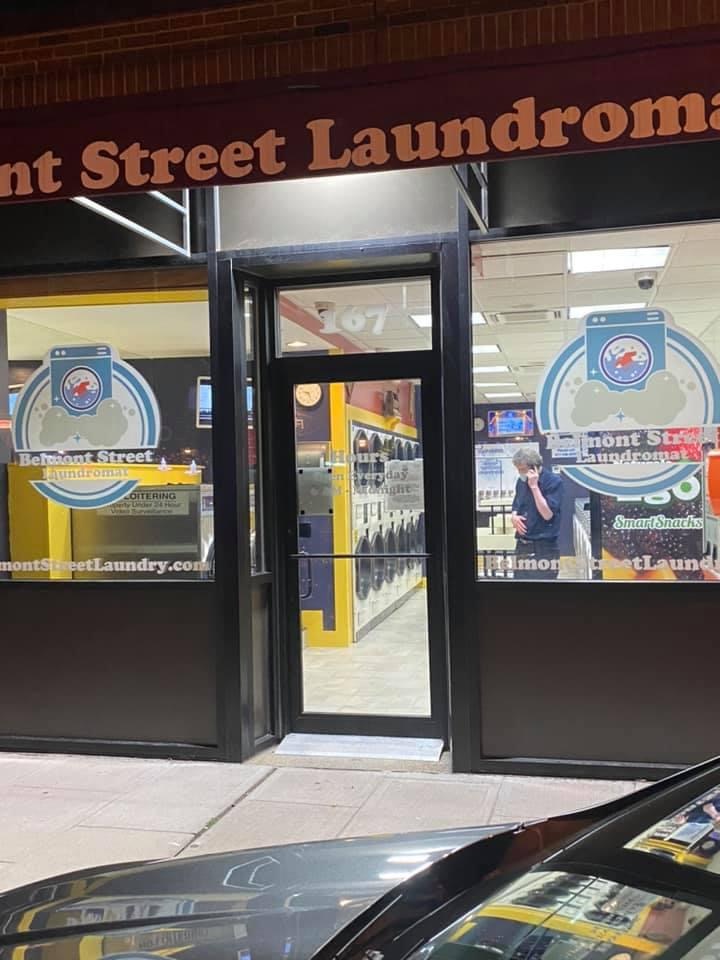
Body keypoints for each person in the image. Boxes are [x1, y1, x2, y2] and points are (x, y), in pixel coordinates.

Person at [510, 448, 564, 580]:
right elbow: (517, 504)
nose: (520, 473)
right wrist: (513, 516)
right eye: (518, 469)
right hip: (523, 544)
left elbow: (547, 514)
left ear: (534, 467)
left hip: (544, 546)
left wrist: (534, 486)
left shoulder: (554, 482)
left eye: (522, 469)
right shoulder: (521, 482)